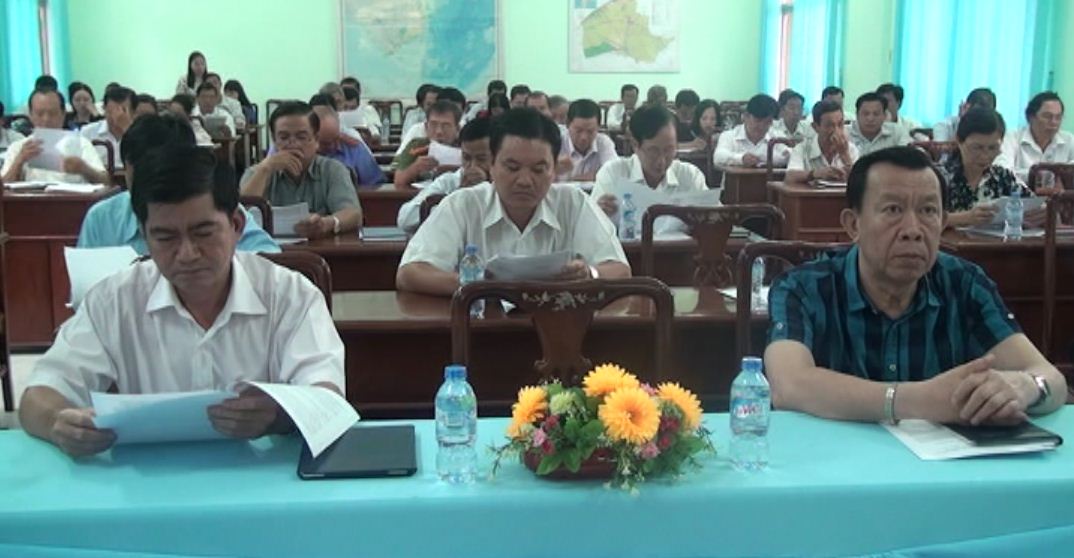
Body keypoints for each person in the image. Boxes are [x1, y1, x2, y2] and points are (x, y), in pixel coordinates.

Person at [20, 144, 344, 458]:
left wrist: (277, 417)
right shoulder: (113, 300)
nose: (187, 254)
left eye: (203, 233)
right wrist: (57, 422)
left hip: (266, 480)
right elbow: (39, 395)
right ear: (144, 235)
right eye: (165, 238)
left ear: (236, 225)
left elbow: (327, 400)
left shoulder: (290, 295)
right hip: (148, 481)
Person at [764, 146, 1066, 425]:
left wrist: (1025, 386)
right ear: (853, 225)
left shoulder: (965, 284)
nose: (912, 230)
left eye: (928, 211)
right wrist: (917, 400)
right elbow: (789, 385)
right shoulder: (804, 288)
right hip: (837, 462)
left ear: (943, 222)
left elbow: (1052, 379)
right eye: (893, 210)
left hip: (946, 465)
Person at [397, 108, 629, 295]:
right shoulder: (462, 205)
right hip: (481, 330)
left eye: (538, 169)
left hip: (557, 329)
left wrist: (590, 274)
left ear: (554, 170)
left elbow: (619, 269)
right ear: (492, 165)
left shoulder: (573, 203)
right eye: (512, 167)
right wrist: (477, 285)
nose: (525, 181)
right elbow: (410, 273)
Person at [78, 113, 278, 254]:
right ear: (126, 168)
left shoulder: (217, 207)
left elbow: (268, 257)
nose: (151, 184)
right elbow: (84, 287)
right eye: (140, 173)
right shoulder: (101, 218)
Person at [240, 102, 362, 238]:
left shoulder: (333, 170)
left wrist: (326, 223)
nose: (293, 144)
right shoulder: (257, 172)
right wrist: (265, 169)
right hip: (267, 248)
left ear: (316, 140)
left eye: (301, 137)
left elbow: (353, 213)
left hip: (320, 247)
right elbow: (241, 215)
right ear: (274, 140)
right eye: (284, 137)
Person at [593, 104, 708, 232]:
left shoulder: (690, 176)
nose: (662, 160)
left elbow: (716, 220)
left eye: (669, 150)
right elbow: (593, 229)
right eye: (653, 151)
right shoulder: (613, 174)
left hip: (682, 245)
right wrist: (598, 213)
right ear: (635, 145)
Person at [940, 108, 1034, 228]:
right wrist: (964, 218)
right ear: (959, 141)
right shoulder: (939, 177)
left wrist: (1039, 213)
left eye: (993, 148)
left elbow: (1033, 203)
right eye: (977, 148)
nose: (985, 155)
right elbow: (922, 217)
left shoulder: (1002, 176)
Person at [397, 117, 493, 233]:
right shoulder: (449, 182)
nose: (473, 166)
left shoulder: (505, 185)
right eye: (466, 158)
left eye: (481, 159)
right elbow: (405, 220)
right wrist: (456, 197)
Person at [2, 88, 109, 184]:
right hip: (31, 199)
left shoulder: (80, 143)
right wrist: (19, 161)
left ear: (63, 114)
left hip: (71, 199)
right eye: (40, 114)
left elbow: (106, 181)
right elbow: (3, 189)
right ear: (30, 115)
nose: (46, 119)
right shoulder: (18, 147)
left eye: (52, 113)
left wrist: (84, 169)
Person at [307, 95, 385, 187]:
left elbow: (375, 184)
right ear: (312, 138)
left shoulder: (354, 148)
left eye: (336, 138)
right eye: (326, 143)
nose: (334, 145)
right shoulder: (302, 154)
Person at [996, 91, 1073, 183]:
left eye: (1058, 117)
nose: (1054, 122)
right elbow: (1002, 171)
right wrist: (1035, 175)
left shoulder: (1069, 140)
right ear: (1031, 117)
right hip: (1019, 191)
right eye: (1047, 116)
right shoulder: (1012, 138)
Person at [392, 100, 462, 188]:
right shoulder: (417, 146)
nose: (439, 131)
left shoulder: (466, 147)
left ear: (457, 129)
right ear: (426, 127)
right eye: (433, 125)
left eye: (446, 126)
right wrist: (415, 167)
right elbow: (398, 181)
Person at [785, 100, 859, 184]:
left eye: (840, 124)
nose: (836, 131)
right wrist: (816, 174)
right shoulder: (802, 148)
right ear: (815, 127)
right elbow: (790, 176)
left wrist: (845, 155)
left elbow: (860, 181)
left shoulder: (851, 149)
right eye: (829, 125)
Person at [713, 94, 788, 168]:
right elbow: (718, 157)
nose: (762, 126)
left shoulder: (777, 137)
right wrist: (741, 158)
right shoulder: (729, 136)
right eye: (758, 120)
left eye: (767, 122)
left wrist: (764, 157)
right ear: (746, 116)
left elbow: (789, 155)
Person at [555, 99, 617, 181]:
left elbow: (613, 172)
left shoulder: (603, 142)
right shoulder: (556, 142)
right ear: (567, 124)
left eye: (590, 131)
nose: (583, 137)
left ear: (598, 127)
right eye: (578, 131)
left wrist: (573, 180)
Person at [79, 86, 136, 169]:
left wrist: (127, 130)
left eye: (122, 111)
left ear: (133, 112)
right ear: (104, 109)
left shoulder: (142, 134)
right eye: (111, 111)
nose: (116, 116)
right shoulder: (87, 132)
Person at [847, 92, 912, 156]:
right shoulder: (845, 133)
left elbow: (906, 156)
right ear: (857, 115)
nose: (870, 119)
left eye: (876, 114)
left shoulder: (897, 132)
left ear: (885, 115)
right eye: (866, 114)